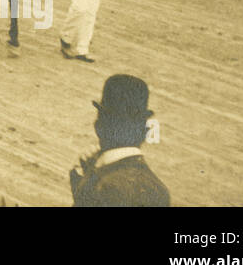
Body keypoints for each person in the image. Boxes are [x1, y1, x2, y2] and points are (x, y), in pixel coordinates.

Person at [70, 74, 169, 207]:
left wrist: (82, 182)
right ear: (144, 132)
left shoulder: (101, 187)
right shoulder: (159, 190)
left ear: (98, 127)